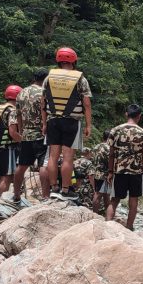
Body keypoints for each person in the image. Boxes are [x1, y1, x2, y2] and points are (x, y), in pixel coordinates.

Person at [42, 47, 92, 201]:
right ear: (74, 61)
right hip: (71, 121)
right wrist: (88, 125)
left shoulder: (48, 78)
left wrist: (44, 123)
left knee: (52, 156)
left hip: (53, 120)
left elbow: (42, 102)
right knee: (68, 157)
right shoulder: (80, 79)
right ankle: (65, 190)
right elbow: (87, 103)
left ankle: (54, 188)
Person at [105, 104, 143, 230]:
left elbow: (111, 154)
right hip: (136, 172)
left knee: (114, 200)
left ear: (126, 114)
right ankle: (129, 227)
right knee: (133, 200)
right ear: (139, 116)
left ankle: (107, 225)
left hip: (119, 171)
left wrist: (110, 171)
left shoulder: (115, 130)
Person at [11, 69, 49, 203]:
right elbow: (46, 111)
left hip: (26, 134)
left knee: (22, 165)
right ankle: (46, 197)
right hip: (41, 134)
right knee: (43, 165)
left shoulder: (21, 92)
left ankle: (16, 194)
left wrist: (22, 132)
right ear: (45, 79)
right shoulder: (44, 92)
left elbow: (18, 114)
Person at [0, 85, 22, 197]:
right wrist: (24, 141)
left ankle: (0, 198)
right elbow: (13, 132)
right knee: (7, 177)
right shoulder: (13, 111)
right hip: (9, 148)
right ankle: (2, 201)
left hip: (0, 147)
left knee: (3, 175)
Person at [91, 129, 111, 214]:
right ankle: (96, 214)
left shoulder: (96, 147)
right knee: (99, 195)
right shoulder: (108, 148)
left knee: (105, 194)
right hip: (105, 174)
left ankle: (106, 214)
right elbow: (110, 161)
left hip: (96, 173)